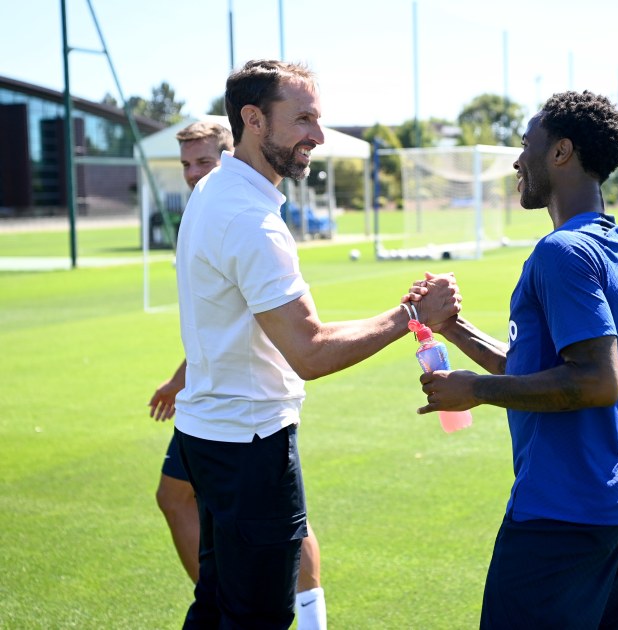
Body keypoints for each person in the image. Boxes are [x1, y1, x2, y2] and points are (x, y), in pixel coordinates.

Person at [172, 59, 460, 629]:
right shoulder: (250, 219)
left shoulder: (213, 189)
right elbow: (310, 352)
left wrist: (404, 314)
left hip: (214, 437)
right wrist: (411, 316)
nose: (317, 136)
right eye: (302, 118)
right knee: (255, 617)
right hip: (250, 445)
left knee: (218, 606)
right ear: (253, 119)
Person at [410, 91, 618, 629]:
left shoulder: (561, 252)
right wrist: (456, 330)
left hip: (563, 512)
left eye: (527, 145)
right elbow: (548, 366)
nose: (518, 160)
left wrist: (474, 390)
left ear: (561, 152)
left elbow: (596, 381)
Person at [147, 119, 328, 629]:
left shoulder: (232, 210)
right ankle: (223, 594)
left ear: (230, 153)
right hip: (217, 413)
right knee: (186, 507)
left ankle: (308, 619)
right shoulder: (216, 205)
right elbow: (222, 320)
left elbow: (289, 337)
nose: (193, 173)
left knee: (282, 531)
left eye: (202, 160)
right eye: (185, 164)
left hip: (239, 417)